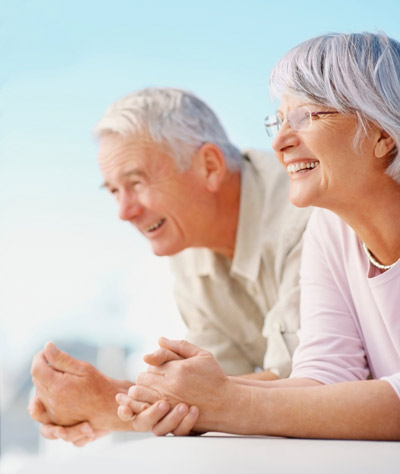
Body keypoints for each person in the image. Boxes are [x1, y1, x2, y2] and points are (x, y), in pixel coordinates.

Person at [118, 32, 400, 440]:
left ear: (383, 134)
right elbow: (327, 377)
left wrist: (229, 403)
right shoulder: (330, 226)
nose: (281, 141)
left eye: (306, 116)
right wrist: (187, 399)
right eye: (279, 120)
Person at [29, 88, 310, 445]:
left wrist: (112, 403)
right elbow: (219, 391)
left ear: (210, 166)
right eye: (114, 191)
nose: (124, 212)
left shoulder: (302, 211)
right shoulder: (186, 241)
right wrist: (103, 406)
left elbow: (309, 385)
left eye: (136, 183)